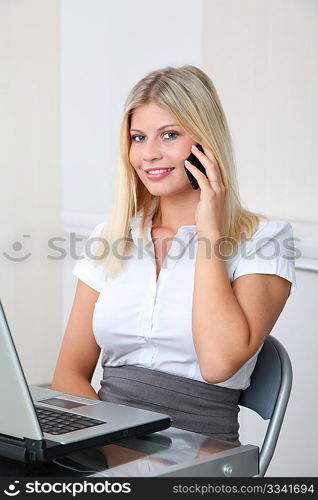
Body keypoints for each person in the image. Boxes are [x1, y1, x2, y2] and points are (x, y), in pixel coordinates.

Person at [52, 65, 296, 445]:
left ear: (206, 143)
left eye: (169, 135)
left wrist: (209, 232)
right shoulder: (113, 236)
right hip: (104, 442)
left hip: (198, 452)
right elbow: (68, 374)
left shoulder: (264, 240)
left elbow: (218, 364)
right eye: (138, 137)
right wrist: (112, 446)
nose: (149, 154)